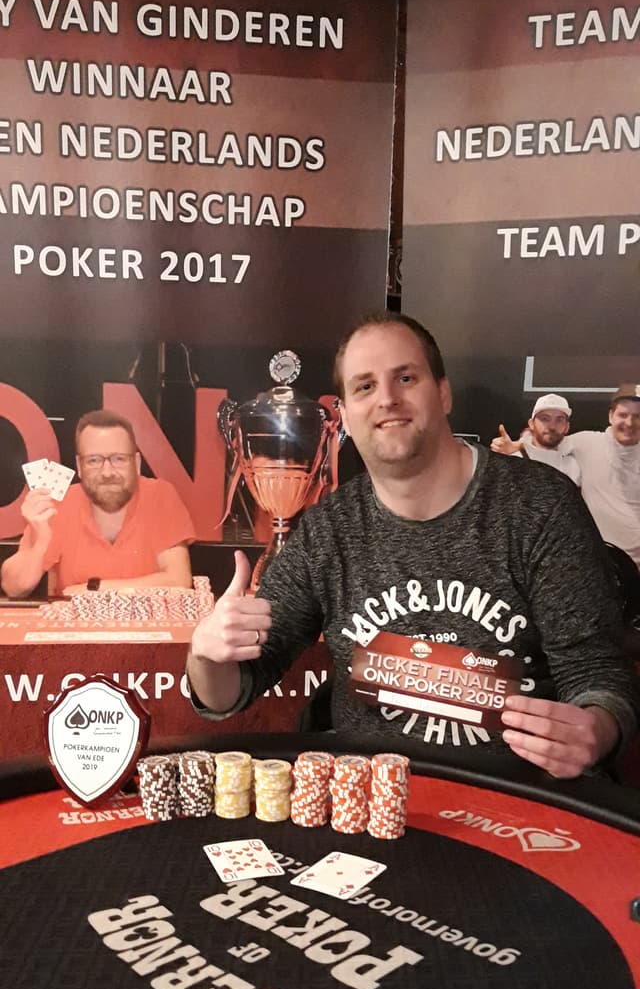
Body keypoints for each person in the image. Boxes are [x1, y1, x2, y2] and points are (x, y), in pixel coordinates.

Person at [187, 312, 639, 780]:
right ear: (344, 416)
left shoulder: (539, 505)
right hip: (370, 798)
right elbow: (231, 691)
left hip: (521, 794)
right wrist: (206, 655)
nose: (387, 398)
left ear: (443, 394)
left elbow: (599, 678)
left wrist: (595, 729)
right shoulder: (327, 530)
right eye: (364, 386)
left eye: (405, 378)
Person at [1, 409, 195, 597]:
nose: (107, 472)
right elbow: (14, 588)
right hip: (75, 620)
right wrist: (40, 543)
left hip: (145, 619)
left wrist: (93, 590)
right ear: (79, 466)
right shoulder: (57, 505)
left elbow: (178, 581)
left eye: (119, 459)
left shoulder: (160, 495)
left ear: (136, 463)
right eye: (94, 460)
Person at [492, 386, 640, 569]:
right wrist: (517, 446)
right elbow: (545, 442)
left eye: (637, 416)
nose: (630, 422)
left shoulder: (574, 460)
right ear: (611, 416)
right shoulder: (587, 443)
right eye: (623, 415)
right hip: (594, 561)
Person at [491, 394, 581, 484]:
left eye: (559, 420)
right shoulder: (513, 462)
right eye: (545, 419)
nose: (552, 426)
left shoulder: (572, 467)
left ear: (567, 427)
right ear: (531, 424)